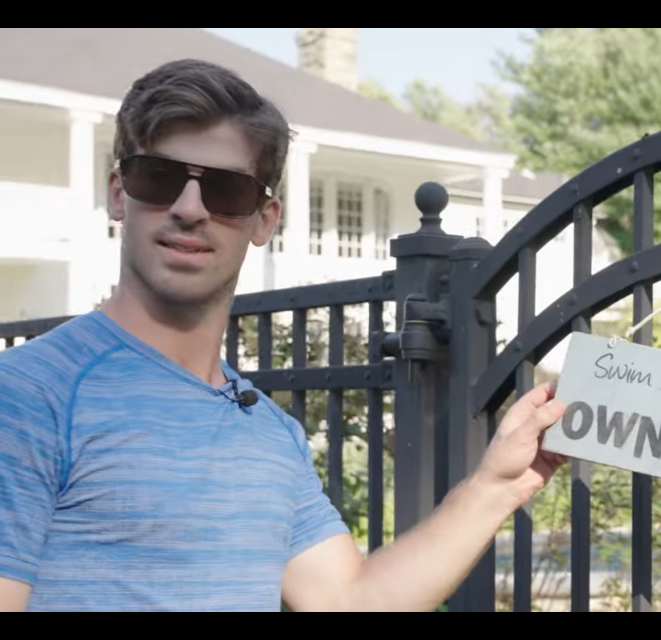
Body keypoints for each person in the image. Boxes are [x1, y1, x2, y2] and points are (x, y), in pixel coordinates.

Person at [0, 58, 568, 612]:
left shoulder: (269, 432)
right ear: (120, 193)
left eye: (226, 191)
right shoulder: (25, 397)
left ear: (264, 220)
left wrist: (497, 485)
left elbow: (350, 600)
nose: (190, 208)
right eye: (161, 178)